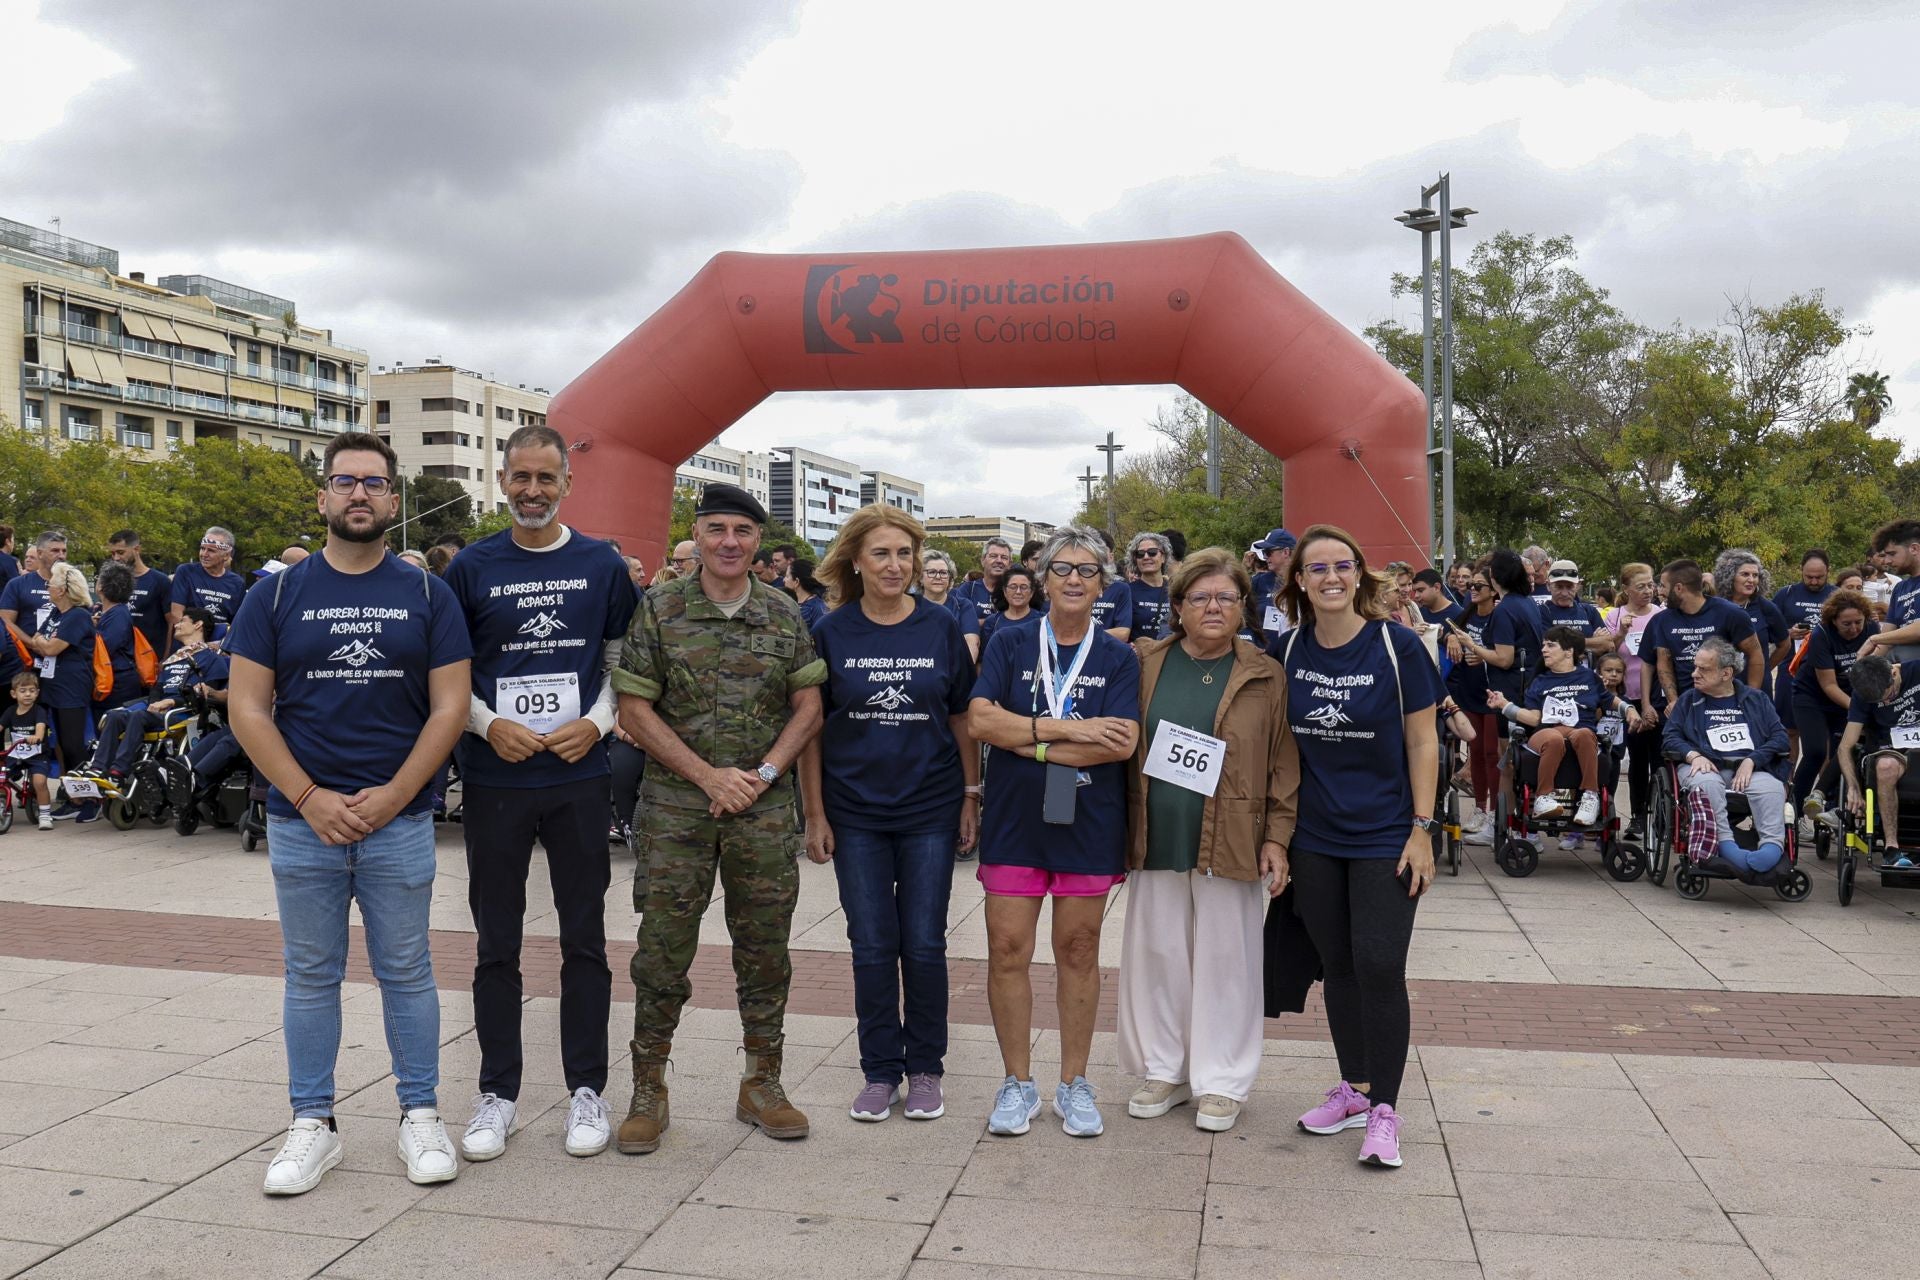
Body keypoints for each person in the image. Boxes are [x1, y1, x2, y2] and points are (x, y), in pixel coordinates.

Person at [225, 432, 473, 1196]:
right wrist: (307, 796)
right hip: (304, 824)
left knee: (406, 971)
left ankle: (420, 1113)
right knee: (310, 976)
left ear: (394, 503)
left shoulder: (429, 593)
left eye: (374, 483)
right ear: (323, 497)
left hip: (396, 824)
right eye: (345, 481)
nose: (358, 493)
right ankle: (312, 1124)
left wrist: (397, 796)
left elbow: (451, 706)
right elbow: (247, 708)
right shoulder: (274, 595)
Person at [610, 482, 826, 1155]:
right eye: (716, 530)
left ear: (759, 541)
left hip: (761, 811)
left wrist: (759, 776)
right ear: (697, 537)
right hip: (678, 809)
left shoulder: (782, 614)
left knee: (765, 950)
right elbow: (634, 710)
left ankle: (763, 1081)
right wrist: (708, 777)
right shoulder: (661, 609)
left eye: (743, 530)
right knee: (662, 952)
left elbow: (809, 705)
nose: (729, 542)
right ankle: (649, 1089)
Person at [443, 424, 638, 1163]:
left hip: (578, 776)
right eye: (519, 478)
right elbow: (449, 674)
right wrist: (489, 726)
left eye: (545, 479)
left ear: (567, 484)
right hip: (495, 778)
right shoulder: (470, 567)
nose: (532, 492)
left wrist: (597, 722)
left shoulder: (601, 565)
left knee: (584, 937)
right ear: (501, 482)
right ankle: (498, 1092)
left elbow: (623, 664)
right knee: (497, 941)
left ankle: (588, 1088)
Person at [799, 505, 978, 1124]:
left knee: (924, 944)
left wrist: (970, 796)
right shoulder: (831, 630)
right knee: (872, 944)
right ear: (856, 561)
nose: (896, 566)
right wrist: (815, 813)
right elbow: (813, 729)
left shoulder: (941, 627)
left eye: (905, 554)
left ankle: (926, 1067)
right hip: (854, 814)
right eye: (882, 554)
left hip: (929, 806)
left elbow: (960, 717)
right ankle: (880, 1070)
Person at [967, 525, 1140, 1139]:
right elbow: (983, 721)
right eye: (1062, 568)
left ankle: (1073, 1083)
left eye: (1086, 570)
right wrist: (1066, 732)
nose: (1073, 578)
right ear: (1043, 579)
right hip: (1016, 821)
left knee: (1079, 951)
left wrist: (1029, 737)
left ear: (1103, 584)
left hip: (1087, 823)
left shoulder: (1119, 656)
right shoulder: (1011, 640)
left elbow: (1118, 744)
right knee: (1008, 950)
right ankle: (1017, 1082)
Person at [1278, 525, 1442, 1171]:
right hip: (1314, 837)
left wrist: (1423, 828)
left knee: (1379, 967)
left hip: (1386, 834)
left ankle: (1386, 1112)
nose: (1330, 578)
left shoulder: (1397, 647)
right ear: (1299, 581)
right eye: (1315, 568)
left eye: (1342, 565)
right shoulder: (1287, 648)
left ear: (1359, 573)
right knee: (1338, 968)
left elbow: (1423, 743)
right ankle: (1353, 1089)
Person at [1119, 548, 1295, 1133]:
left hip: (1234, 836)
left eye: (1226, 597)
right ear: (1177, 607)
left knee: (1228, 959)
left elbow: (1282, 762)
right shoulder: (1143, 663)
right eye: (1200, 597)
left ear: (1245, 606)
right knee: (1158, 953)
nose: (1214, 607)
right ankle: (1164, 1068)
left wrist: (1279, 836)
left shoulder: (1265, 673)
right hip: (1156, 831)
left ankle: (1221, 1079)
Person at [1487, 626, 1638, 827]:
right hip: (1546, 733)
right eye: (1543, 645)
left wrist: (1629, 710)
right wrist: (1505, 705)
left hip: (1580, 732)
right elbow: (1533, 718)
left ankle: (1589, 797)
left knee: (1585, 734)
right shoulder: (1540, 681)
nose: (1544, 650)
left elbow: (1610, 700)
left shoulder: (1589, 678)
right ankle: (1543, 798)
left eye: (1551, 645)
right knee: (1554, 738)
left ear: (1569, 651)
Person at [1663, 636, 1790, 873]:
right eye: (1695, 667)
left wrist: (1753, 760)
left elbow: (1780, 738)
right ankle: (1725, 844)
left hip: (1751, 769)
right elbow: (1670, 737)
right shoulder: (1688, 701)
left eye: (1703, 669)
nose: (1694, 674)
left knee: (1772, 788)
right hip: (1705, 767)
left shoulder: (1756, 699)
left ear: (1726, 673)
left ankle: (1772, 847)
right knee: (1706, 785)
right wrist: (1693, 755)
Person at [83, 606, 225, 782]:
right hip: (157, 709)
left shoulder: (212, 659)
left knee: (138, 716)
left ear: (198, 625)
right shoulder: (174, 658)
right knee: (114, 716)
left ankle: (118, 772)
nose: (177, 625)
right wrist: (156, 703)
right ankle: (97, 768)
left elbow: (206, 696)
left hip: (183, 712)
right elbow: (157, 688)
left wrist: (171, 702)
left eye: (182, 621)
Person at [1791, 588, 1878, 820]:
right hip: (1812, 696)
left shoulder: (1872, 630)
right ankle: (1795, 813)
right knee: (1816, 752)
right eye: (1846, 624)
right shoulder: (1822, 634)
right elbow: (1829, 685)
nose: (1853, 629)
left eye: (1858, 622)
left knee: (1847, 749)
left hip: (1850, 695)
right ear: (1834, 621)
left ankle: (1827, 804)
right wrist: (1859, 710)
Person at [1645, 560, 1766, 710]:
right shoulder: (1662, 620)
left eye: (1663, 586)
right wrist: (1673, 701)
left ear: (1678, 588)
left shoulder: (1730, 613)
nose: (1659, 592)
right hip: (1685, 706)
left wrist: (1751, 696)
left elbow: (1755, 652)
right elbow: (1664, 661)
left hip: (1727, 704)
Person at [27, 562, 96, 821]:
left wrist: (44, 644)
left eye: (52, 582)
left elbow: (51, 648)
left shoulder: (78, 615)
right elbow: (36, 640)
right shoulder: (57, 614)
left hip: (72, 687)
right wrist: (44, 644)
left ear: (64, 589)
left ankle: (90, 799)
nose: (48, 586)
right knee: (60, 746)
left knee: (74, 745)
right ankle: (72, 796)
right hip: (52, 686)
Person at [1604, 563, 1665, 842]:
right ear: (1626, 589)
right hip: (1626, 697)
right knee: (1637, 760)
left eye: (1650, 585)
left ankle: (1663, 816)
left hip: (1655, 698)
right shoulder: (1615, 615)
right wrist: (1620, 634)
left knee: (1660, 759)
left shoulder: (1661, 616)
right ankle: (1638, 816)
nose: (1648, 591)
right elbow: (1605, 657)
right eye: (1641, 586)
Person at [1839, 654, 1920, 864]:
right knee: (1885, 766)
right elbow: (1845, 746)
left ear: (1894, 672)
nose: (1886, 701)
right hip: (1893, 750)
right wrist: (1853, 787)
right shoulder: (1862, 695)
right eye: (1880, 701)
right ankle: (1892, 847)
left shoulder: (1916, 671)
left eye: (1889, 694)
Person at [1446, 564, 1501, 845]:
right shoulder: (1467, 614)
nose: (1473, 590)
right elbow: (1449, 629)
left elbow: (1504, 653)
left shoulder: (1499, 617)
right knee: (1475, 752)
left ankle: (1495, 814)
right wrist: (1452, 637)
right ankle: (1480, 808)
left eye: (1479, 586)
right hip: (1469, 691)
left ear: (1493, 591)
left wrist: (1481, 654)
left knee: (1493, 754)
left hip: (1492, 693)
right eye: (1471, 586)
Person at [90, 562, 150, 715]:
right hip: (118, 682)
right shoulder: (114, 612)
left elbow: (103, 649)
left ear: (100, 587)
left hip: (117, 685)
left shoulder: (118, 615)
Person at [106, 530, 173, 656]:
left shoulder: (160, 581)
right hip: (120, 658)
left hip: (151, 655)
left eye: (121, 552)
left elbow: (172, 622)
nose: (116, 558)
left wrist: (166, 657)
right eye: (113, 553)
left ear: (136, 549)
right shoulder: (113, 581)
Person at [1859, 521, 1920, 659]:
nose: (1886, 561)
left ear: (1914, 549)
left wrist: (1874, 639)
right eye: (1884, 555)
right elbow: (1886, 640)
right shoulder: (1900, 588)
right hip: (1902, 673)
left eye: (1892, 554)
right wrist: (1869, 663)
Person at [2, 672, 54, 828]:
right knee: (1, 778)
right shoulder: (10, 712)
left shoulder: (39, 711)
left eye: (32, 690)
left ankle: (45, 814)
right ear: (13, 693)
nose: (27, 694)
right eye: (23, 691)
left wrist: (36, 737)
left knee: (40, 782)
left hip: (37, 754)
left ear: (37, 693)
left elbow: (40, 728)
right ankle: (3, 805)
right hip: (16, 753)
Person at [170, 526, 248, 630]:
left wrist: (219, 642)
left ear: (226, 555)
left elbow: (237, 623)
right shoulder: (186, 571)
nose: (204, 554)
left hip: (218, 644)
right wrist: (197, 640)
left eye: (211, 550)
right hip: (187, 642)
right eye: (202, 548)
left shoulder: (237, 583)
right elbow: (176, 614)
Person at [918, 549, 981, 661]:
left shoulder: (963, 606)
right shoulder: (909, 605)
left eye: (943, 573)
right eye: (931, 572)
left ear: (950, 578)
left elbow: (971, 644)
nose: (938, 577)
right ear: (920, 578)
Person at [1538, 561, 1610, 655]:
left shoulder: (1589, 611)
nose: (1564, 593)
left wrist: (1567, 645)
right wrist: (1593, 641)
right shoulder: (1541, 612)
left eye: (1569, 587)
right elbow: (1552, 651)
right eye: (1559, 587)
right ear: (1548, 586)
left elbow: (1608, 644)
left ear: (1578, 586)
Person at [0, 531, 64, 632]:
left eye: (64, 551)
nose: (61, 556)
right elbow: (5, 622)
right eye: (55, 550)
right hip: (25, 647)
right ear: (40, 553)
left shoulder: (72, 584)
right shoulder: (17, 584)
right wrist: (31, 643)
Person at [1120, 531, 1174, 644]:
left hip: (1170, 654)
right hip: (1139, 657)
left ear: (1163, 557)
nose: (1146, 557)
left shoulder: (1175, 590)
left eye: (1152, 552)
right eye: (1140, 554)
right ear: (1135, 559)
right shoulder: (1126, 591)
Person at [1247, 527, 1296, 646]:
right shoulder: (1259, 581)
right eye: (1264, 553)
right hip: (1266, 656)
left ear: (1286, 552)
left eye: (1268, 552)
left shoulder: (1305, 581)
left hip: (1295, 653)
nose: (1265, 557)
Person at [953, 537, 1013, 627]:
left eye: (1004, 557)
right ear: (982, 560)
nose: (999, 560)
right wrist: (995, 621)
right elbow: (960, 623)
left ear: (1010, 564)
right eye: (993, 556)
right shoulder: (968, 589)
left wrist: (977, 622)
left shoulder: (1015, 590)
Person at [978, 566, 1040, 649]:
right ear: (1004, 591)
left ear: (1032, 592)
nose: (1018, 592)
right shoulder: (992, 622)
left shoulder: (1042, 620)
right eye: (1013, 587)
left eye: (1024, 587)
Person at [786, 559, 828, 631]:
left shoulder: (817, 608)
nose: (784, 580)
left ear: (796, 581)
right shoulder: (788, 601)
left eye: (787, 576)